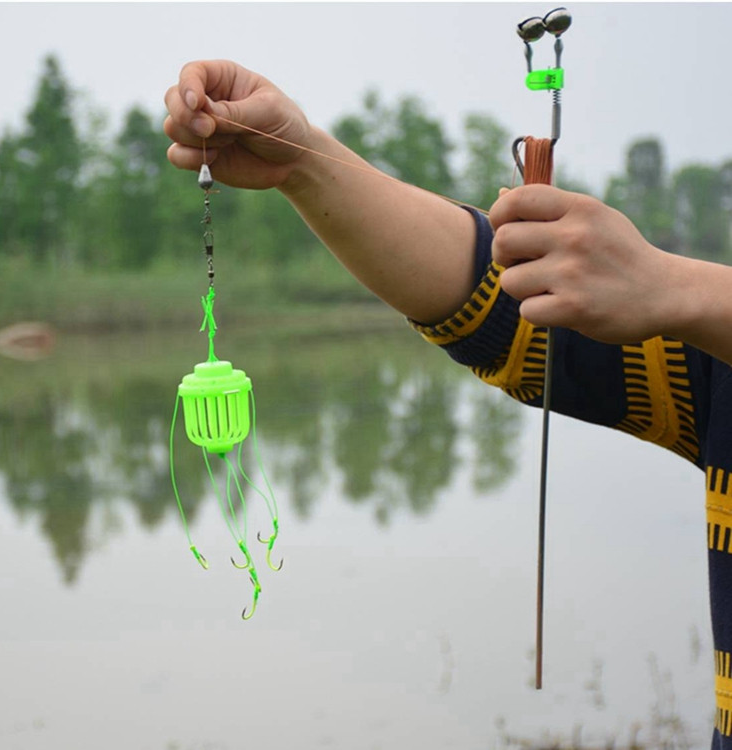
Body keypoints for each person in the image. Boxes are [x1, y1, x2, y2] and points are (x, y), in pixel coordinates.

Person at [165, 59, 732, 745]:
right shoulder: (712, 366)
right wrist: (302, 160)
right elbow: (494, 308)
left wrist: (680, 288)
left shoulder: (697, 317)